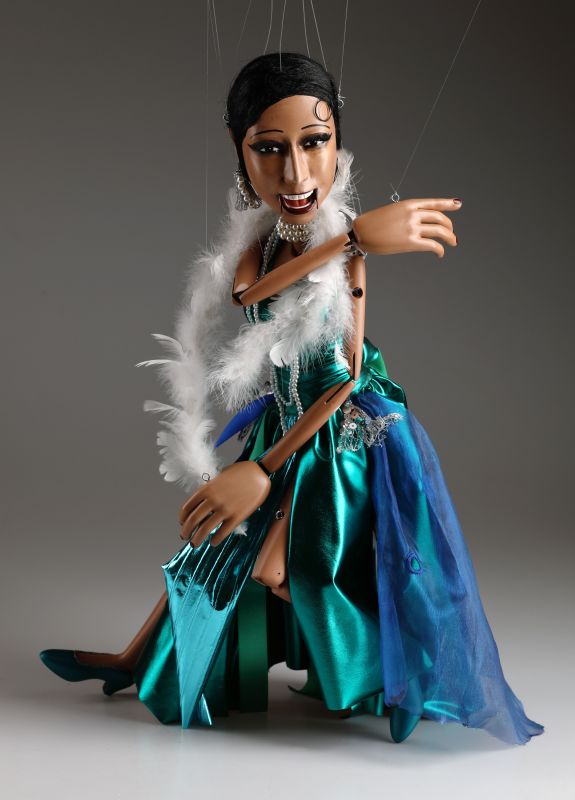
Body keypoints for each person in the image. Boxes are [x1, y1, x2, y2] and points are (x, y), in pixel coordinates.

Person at [40, 52, 543, 745]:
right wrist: (349, 239)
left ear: (338, 142)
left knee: (279, 568)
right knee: (210, 545)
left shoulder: (346, 253)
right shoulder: (270, 242)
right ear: (238, 150)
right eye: (269, 148)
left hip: (333, 438)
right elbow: (246, 294)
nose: (296, 173)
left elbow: (346, 378)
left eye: (315, 142)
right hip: (282, 422)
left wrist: (264, 468)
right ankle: (134, 657)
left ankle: (401, 665)